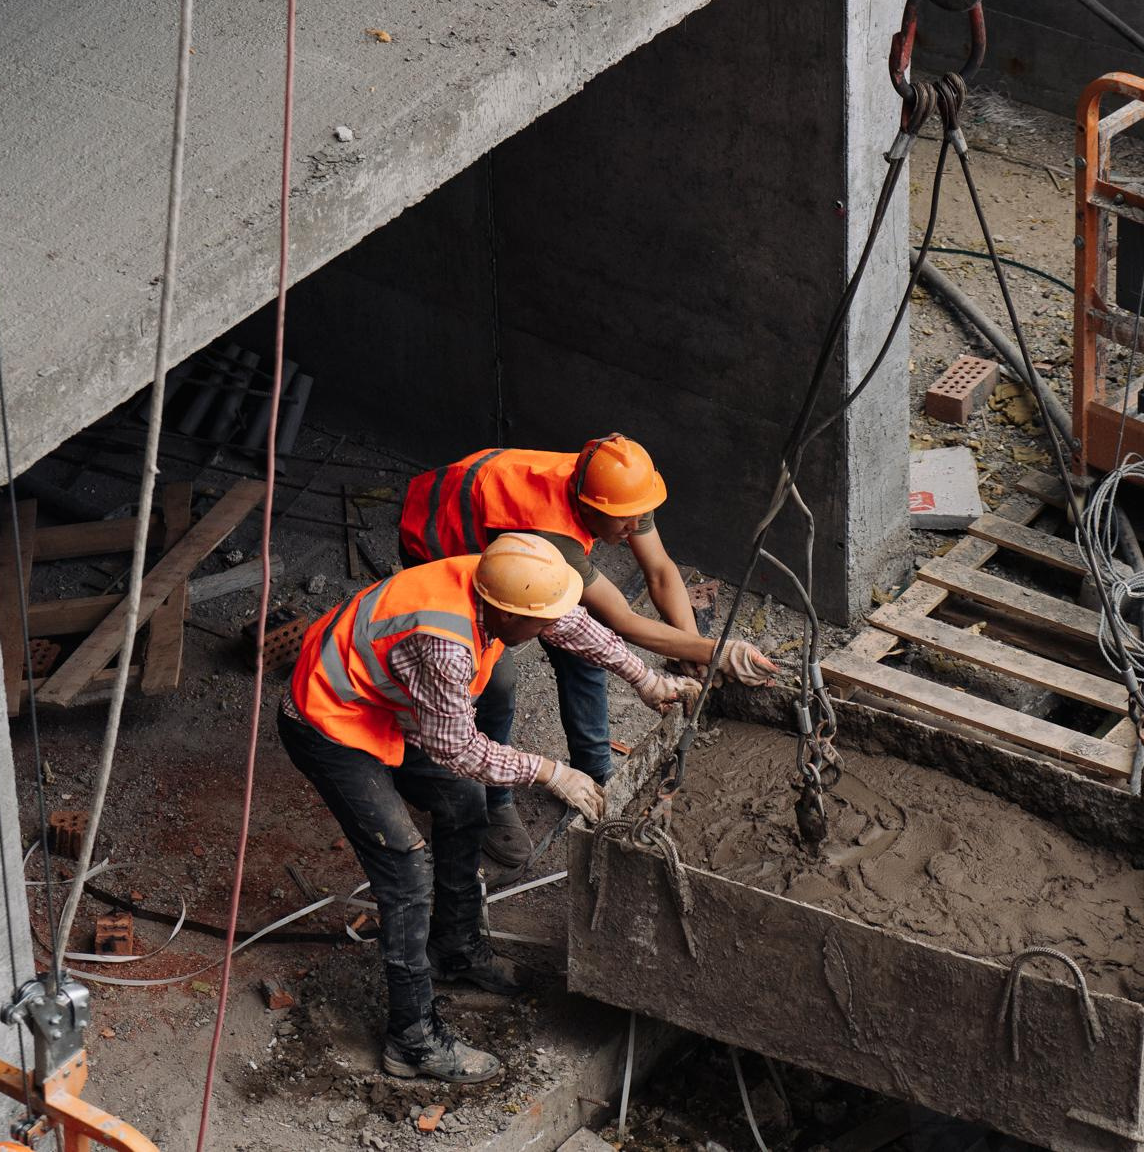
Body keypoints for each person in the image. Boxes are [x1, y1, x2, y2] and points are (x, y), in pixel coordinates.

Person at [278, 533, 697, 1083]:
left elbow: (570, 624)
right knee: (405, 870)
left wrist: (647, 680)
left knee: (464, 799)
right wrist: (552, 773)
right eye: (537, 624)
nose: (547, 630)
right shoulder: (446, 643)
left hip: (387, 704)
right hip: (329, 721)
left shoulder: (505, 577)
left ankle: (455, 948)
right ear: (504, 612)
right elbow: (457, 747)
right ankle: (412, 1042)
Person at [398, 434, 777, 864]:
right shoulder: (552, 533)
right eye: (624, 523)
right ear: (590, 508)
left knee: (581, 645)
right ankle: (495, 800)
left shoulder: (622, 490)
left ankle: (598, 774)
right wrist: (716, 651)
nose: (634, 528)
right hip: (443, 537)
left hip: (506, 533)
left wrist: (696, 654)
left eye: (640, 517)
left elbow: (659, 572)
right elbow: (622, 620)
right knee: (495, 679)